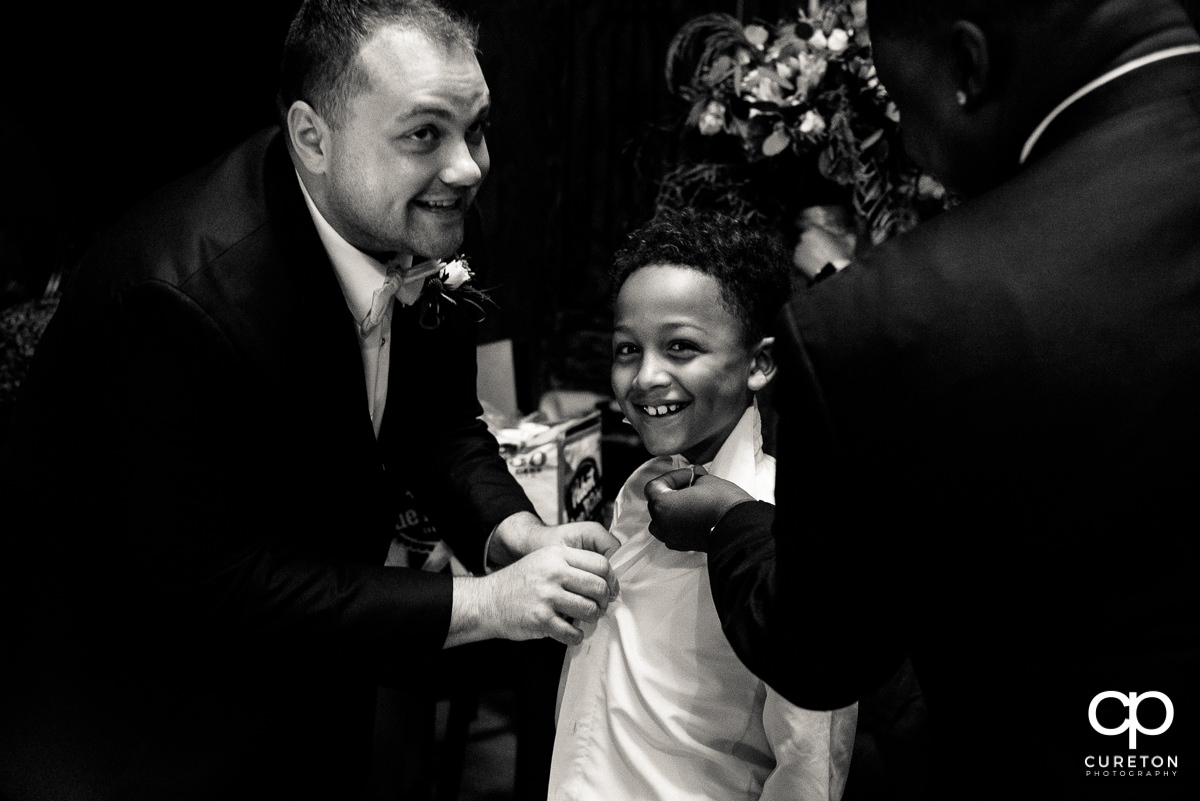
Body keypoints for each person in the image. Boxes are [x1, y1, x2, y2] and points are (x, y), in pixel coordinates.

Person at [0, 1, 619, 798]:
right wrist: (487, 602)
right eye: (425, 134)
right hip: (137, 710)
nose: (468, 168)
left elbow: (439, 421)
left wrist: (512, 533)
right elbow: (228, 584)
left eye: (478, 129)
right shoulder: (175, 302)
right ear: (312, 137)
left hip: (308, 663)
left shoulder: (432, 223)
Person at [645, 1, 1200, 799]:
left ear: (968, 69)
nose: (905, 142)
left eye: (904, 109)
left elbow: (822, 648)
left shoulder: (900, 319)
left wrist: (734, 522)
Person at [548, 210, 857, 801]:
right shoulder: (640, 497)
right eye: (626, 350)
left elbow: (810, 769)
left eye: (681, 347)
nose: (645, 378)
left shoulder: (785, 528)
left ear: (760, 364)